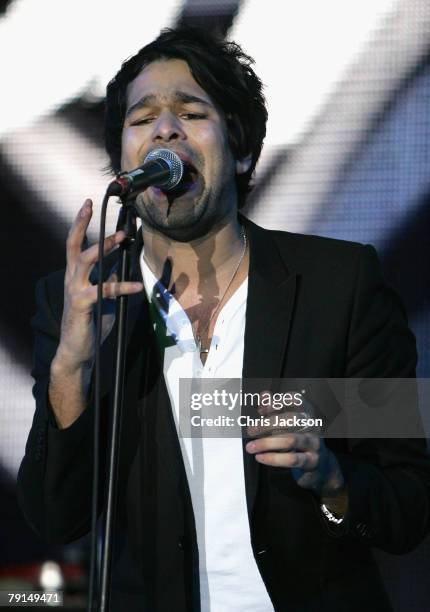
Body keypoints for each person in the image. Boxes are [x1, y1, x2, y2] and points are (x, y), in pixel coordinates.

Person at [17, 27, 430, 611]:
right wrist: (71, 366)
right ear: (124, 165)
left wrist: (333, 478)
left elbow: (409, 505)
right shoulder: (81, 302)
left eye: (190, 111)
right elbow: (54, 516)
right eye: (142, 120)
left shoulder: (339, 286)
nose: (165, 129)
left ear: (238, 150)